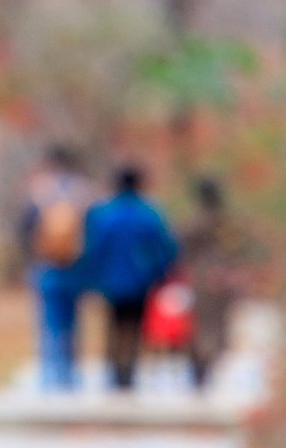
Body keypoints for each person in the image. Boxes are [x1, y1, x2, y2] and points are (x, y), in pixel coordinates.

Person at [82, 165, 178, 390]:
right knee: (135, 325)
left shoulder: (102, 212)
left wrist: (91, 277)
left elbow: (92, 248)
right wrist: (161, 273)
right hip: (141, 280)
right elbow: (165, 246)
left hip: (109, 281)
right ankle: (129, 370)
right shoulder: (149, 212)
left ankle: (114, 369)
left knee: (113, 323)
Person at [17, 146, 92, 390]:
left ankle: (49, 373)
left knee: (48, 320)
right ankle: (70, 373)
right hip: (75, 267)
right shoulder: (84, 191)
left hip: (45, 266)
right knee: (73, 320)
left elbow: (24, 227)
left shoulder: (38, 190)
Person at [180, 175, 249, 388]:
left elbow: (183, 245)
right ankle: (206, 366)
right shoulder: (226, 222)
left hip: (201, 276)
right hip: (222, 275)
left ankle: (200, 368)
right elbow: (237, 249)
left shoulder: (195, 220)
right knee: (215, 324)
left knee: (200, 322)